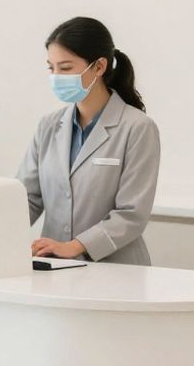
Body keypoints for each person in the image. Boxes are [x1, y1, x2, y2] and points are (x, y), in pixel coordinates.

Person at [16, 16, 161, 265]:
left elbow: (131, 214)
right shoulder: (48, 126)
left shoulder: (137, 128)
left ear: (99, 66)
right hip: (56, 267)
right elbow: (28, 198)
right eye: (52, 68)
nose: (56, 77)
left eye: (66, 67)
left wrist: (74, 246)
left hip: (117, 270)